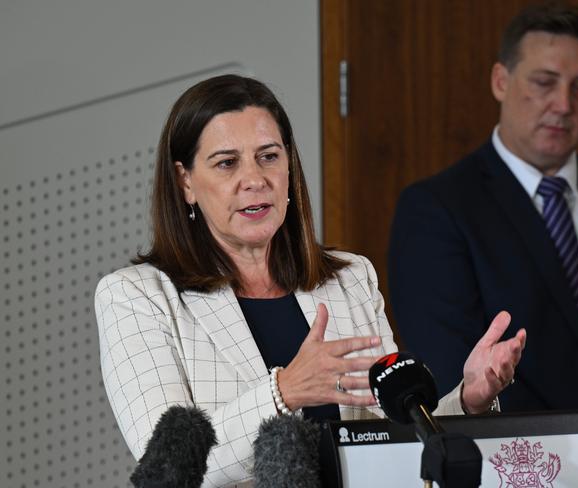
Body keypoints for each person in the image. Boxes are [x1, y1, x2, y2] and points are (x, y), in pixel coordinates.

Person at [95, 74, 526, 487]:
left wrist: (470, 398)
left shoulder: (349, 280)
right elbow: (167, 465)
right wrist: (285, 391)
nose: (255, 180)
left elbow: (387, 442)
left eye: (269, 156)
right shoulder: (137, 297)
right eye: (227, 163)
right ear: (184, 181)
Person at [389, 3, 578, 413]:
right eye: (545, 82)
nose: (564, 104)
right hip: (513, 461)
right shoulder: (436, 210)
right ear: (500, 81)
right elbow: (454, 373)